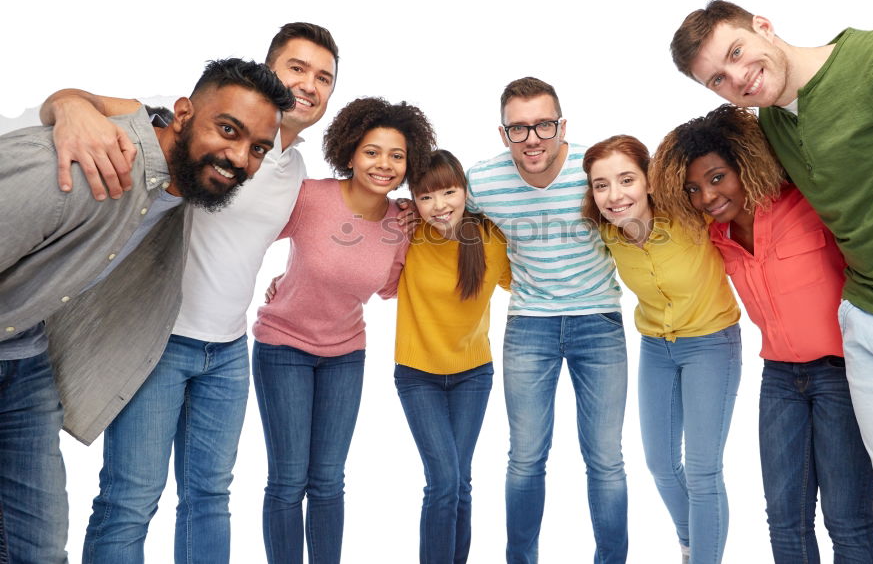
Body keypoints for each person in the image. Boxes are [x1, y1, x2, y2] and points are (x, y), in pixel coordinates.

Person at [671, 0, 873, 562]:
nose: (737, 77)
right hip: (869, 334)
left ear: (764, 26)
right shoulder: (774, 124)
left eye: (735, 52)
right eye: (717, 79)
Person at [41, 22, 339, 564]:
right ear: (269, 70)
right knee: (130, 500)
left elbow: (319, 234)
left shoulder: (294, 169)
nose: (309, 84)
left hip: (227, 351)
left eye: (324, 78)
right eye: (297, 68)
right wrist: (68, 107)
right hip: (157, 341)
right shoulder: (199, 123)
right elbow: (72, 102)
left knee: (209, 498)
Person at [0, 58, 291, 564]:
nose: (240, 157)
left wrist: (72, 99)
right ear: (183, 114)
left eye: (258, 149)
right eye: (227, 130)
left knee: (39, 550)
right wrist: (68, 104)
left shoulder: (178, 187)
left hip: (24, 359)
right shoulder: (92, 162)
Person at [652, 104, 873, 562]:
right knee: (784, 520)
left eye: (717, 178)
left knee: (847, 519)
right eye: (693, 189)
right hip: (779, 378)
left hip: (843, 375)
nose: (707, 197)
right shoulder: (713, 236)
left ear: (744, 165)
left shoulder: (805, 204)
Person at [252, 97, 435, 563]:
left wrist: (419, 231)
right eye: (373, 152)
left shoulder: (401, 222)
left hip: (346, 354)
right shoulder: (311, 196)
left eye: (397, 156)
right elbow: (248, 236)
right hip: (283, 347)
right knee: (289, 480)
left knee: (329, 482)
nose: (384, 165)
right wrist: (279, 282)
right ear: (351, 152)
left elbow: (390, 289)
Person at [465, 77, 627, 564]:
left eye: (543, 125)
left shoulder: (593, 170)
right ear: (503, 134)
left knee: (605, 460)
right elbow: (445, 218)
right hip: (529, 323)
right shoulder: (484, 181)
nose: (532, 137)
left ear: (562, 126)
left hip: (597, 318)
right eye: (519, 128)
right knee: (525, 457)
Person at [582, 134, 741, 564]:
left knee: (704, 470)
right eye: (601, 185)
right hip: (656, 348)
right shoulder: (606, 234)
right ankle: (694, 546)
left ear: (649, 182)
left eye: (626, 180)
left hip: (711, 344)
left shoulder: (690, 218)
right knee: (661, 464)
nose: (615, 196)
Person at [394, 149, 511, 564]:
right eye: (426, 197)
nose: (439, 205)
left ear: (465, 190)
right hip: (417, 374)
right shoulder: (406, 234)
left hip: (473, 374)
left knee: (460, 482)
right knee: (443, 481)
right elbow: (360, 266)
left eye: (448, 192)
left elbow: (532, 279)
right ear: (414, 199)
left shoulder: (493, 238)